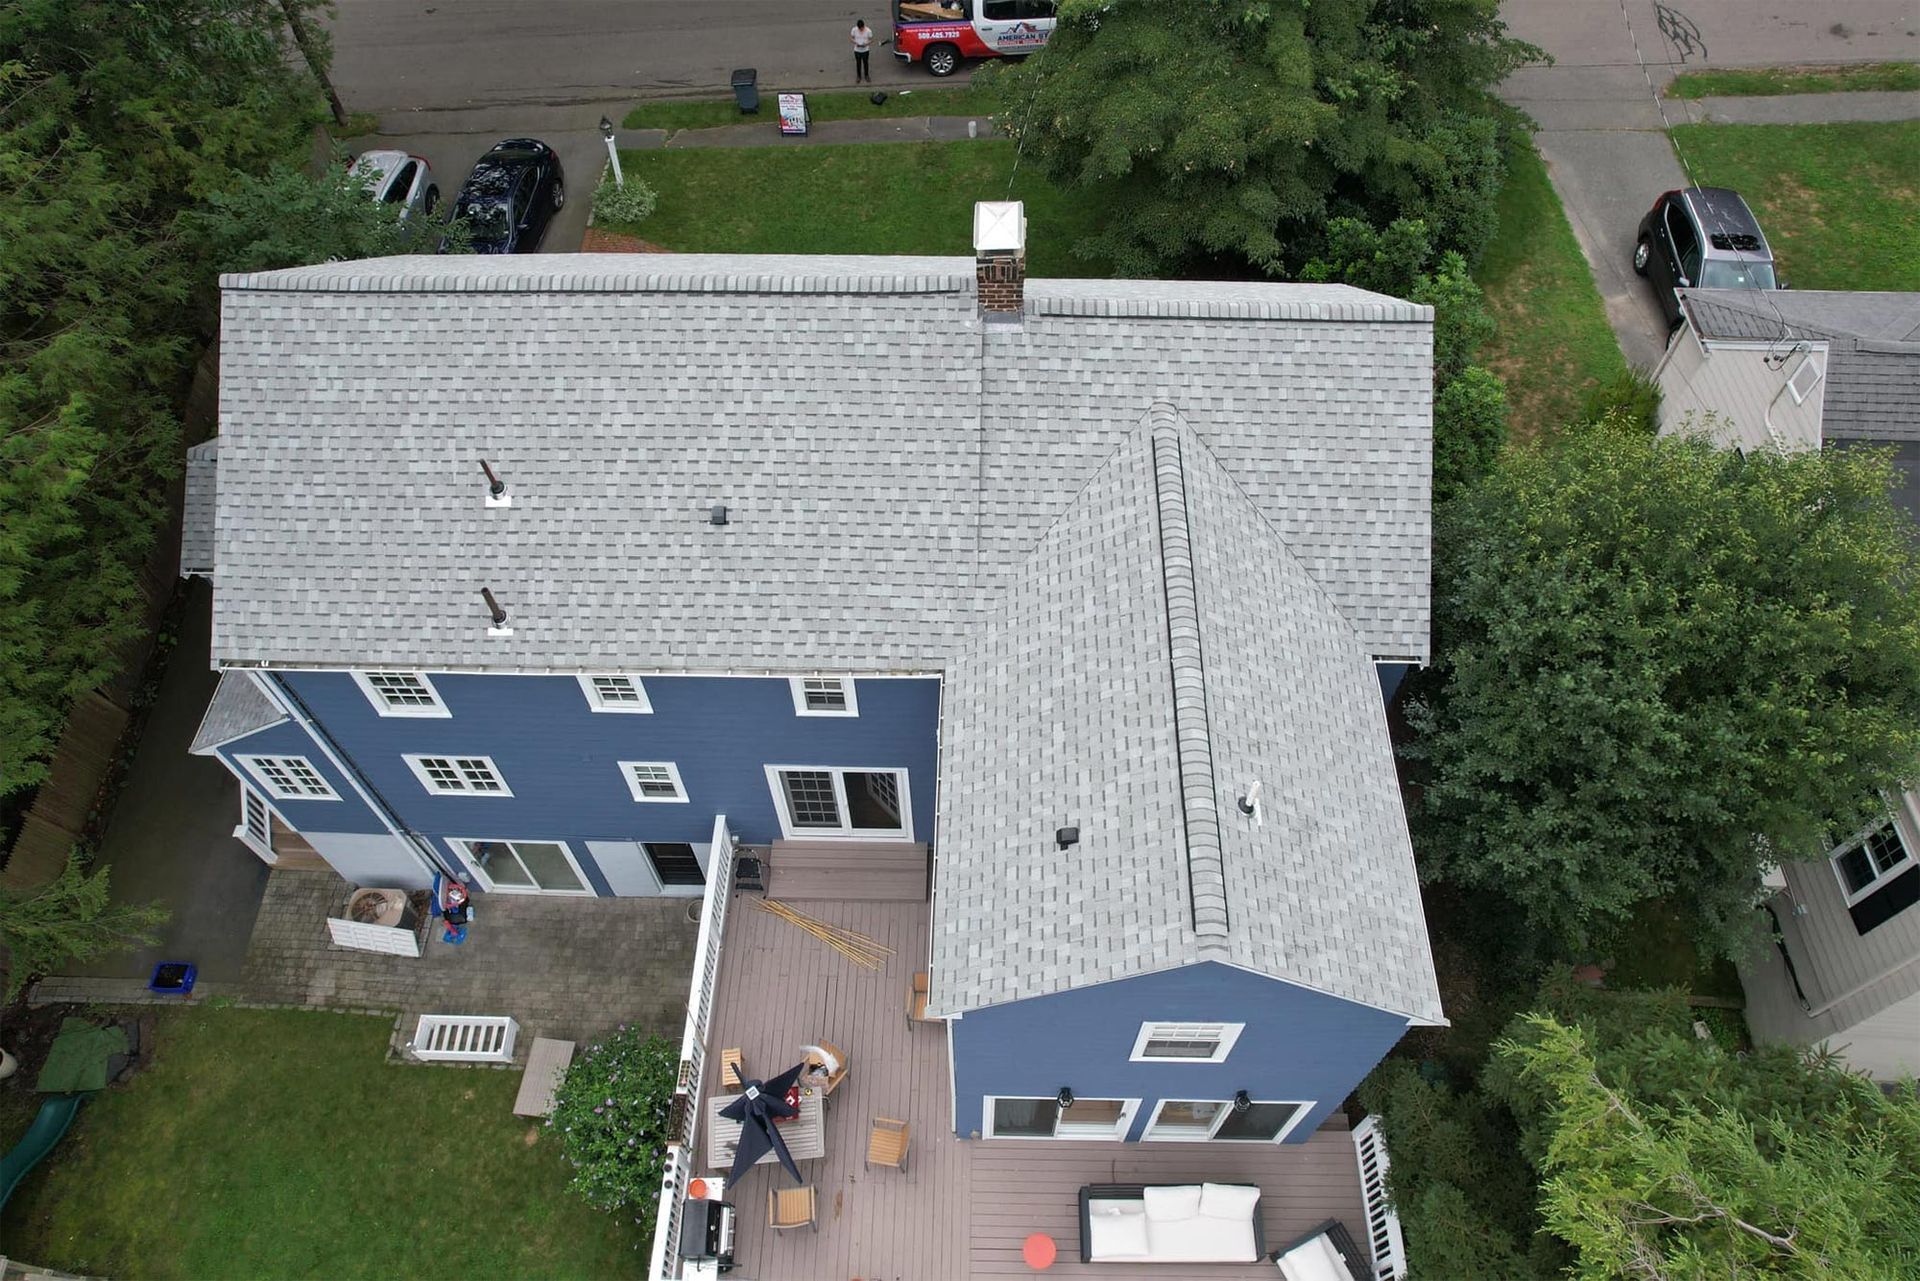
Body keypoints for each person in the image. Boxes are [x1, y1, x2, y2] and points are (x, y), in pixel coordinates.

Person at [850, 19, 873, 83]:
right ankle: (858, 76)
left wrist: (866, 44)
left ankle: (866, 75)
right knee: (858, 63)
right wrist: (855, 43)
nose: (861, 30)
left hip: (865, 50)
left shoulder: (868, 31)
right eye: (859, 29)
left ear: (863, 26)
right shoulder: (854, 30)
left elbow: (871, 39)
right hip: (857, 50)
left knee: (865, 63)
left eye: (862, 28)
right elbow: (851, 38)